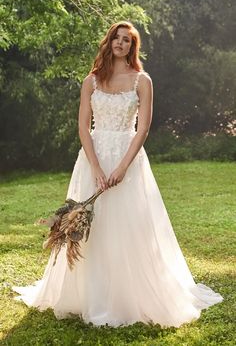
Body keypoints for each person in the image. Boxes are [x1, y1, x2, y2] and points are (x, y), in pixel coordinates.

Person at [12, 21, 223, 328]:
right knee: (90, 228)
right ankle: (87, 295)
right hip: (93, 157)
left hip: (128, 157)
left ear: (132, 46)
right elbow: (84, 127)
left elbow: (143, 128)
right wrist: (96, 166)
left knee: (130, 225)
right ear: (109, 42)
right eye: (117, 38)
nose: (121, 43)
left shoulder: (142, 80)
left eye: (127, 40)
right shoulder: (92, 80)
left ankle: (127, 295)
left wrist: (123, 166)